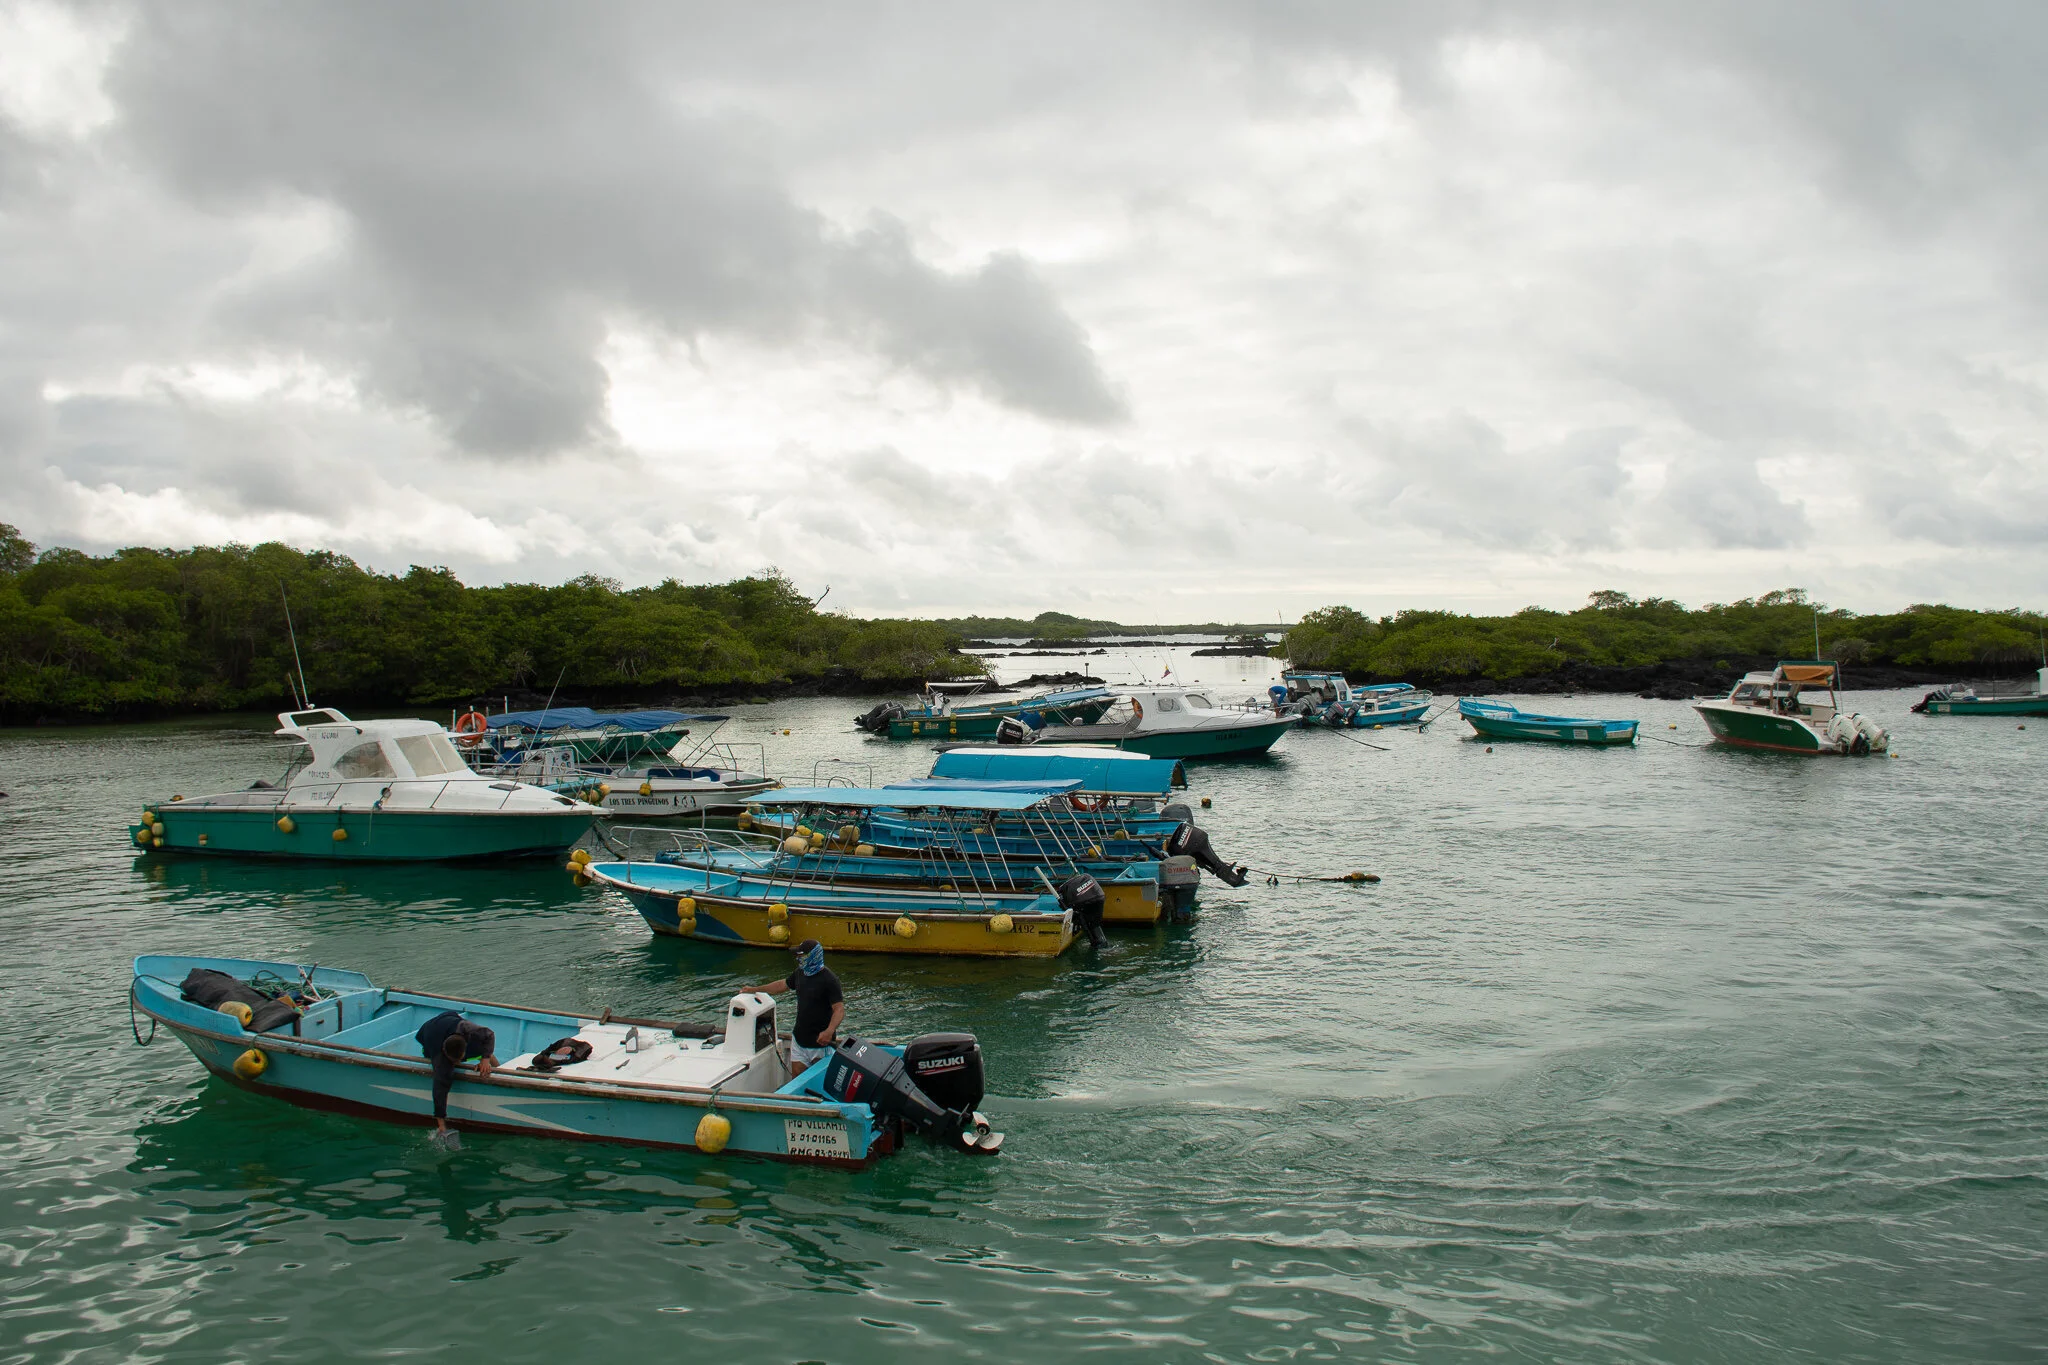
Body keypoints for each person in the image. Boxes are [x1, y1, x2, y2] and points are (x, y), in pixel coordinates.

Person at [757, 939, 843, 1072]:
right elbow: (782, 985)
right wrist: (754, 989)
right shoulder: (800, 972)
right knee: (797, 1080)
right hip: (799, 1040)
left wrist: (829, 1031)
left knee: (817, 1085)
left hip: (820, 1045)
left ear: (812, 956)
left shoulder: (829, 980)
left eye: (801, 955)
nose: (798, 958)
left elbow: (839, 1010)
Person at [415, 1010, 499, 1134]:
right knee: (444, 1075)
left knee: (483, 1050)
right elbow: (439, 1091)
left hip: (448, 1019)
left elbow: (489, 1034)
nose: (456, 1064)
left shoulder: (465, 1027)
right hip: (428, 1033)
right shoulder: (440, 1058)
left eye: (458, 1060)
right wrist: (441, 1125)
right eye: (453, 1061)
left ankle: (498, 1068)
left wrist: (485, 1058)